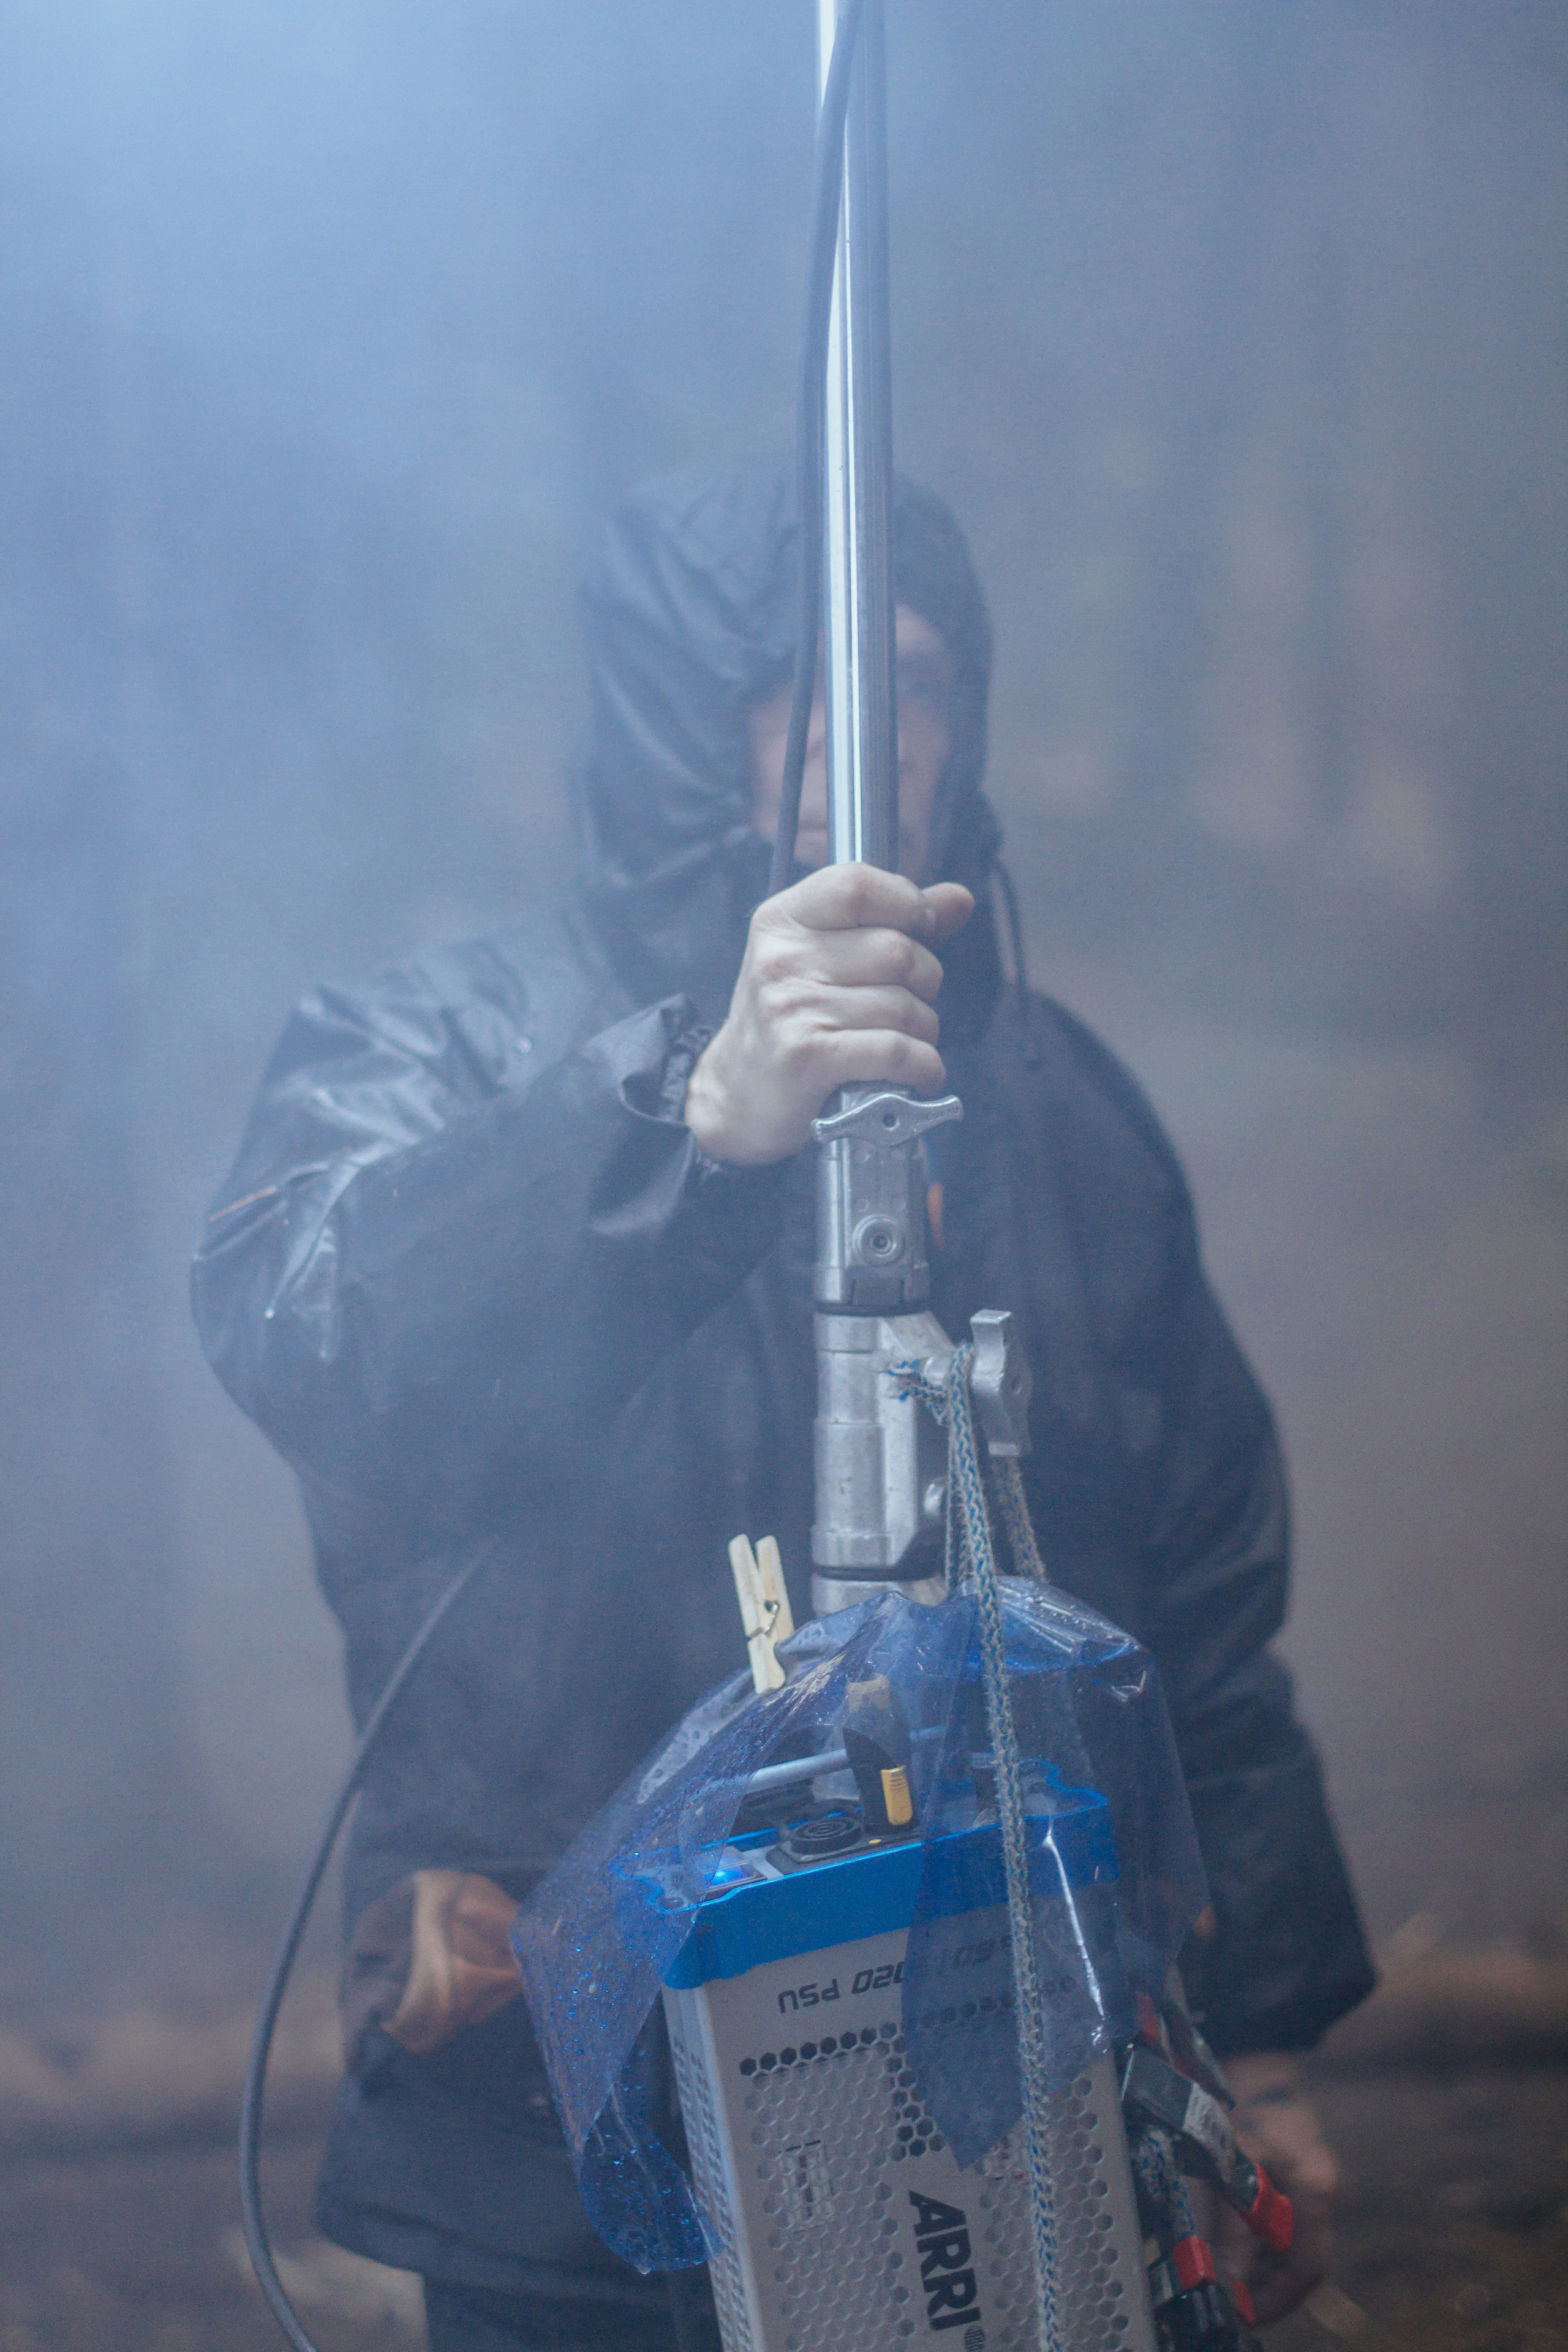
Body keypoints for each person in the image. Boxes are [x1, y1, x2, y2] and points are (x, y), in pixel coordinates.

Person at [194, 464, 1373, 2351]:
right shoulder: (447, 1043)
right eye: (794, 685)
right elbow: (315, 1339)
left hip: (1018, 2065)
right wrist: (687, 1122)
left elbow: (1205, 1592)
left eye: (909, 680)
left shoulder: (1053, 1101)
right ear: (680, 717)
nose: (864, 738)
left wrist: (1275, 2044)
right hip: (566, 2088)